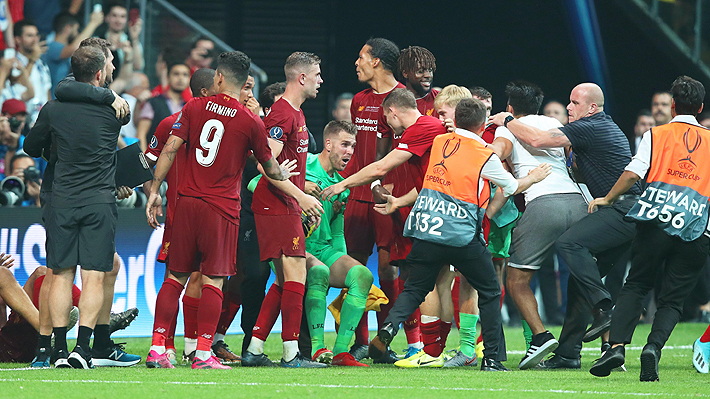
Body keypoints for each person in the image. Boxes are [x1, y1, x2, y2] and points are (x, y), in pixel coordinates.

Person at [367, 98, 551, 371]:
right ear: (481, 126)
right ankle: (490, 358)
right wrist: (534, 177)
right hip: (462, 236)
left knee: (416, 288)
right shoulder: (483, 154)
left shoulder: (440, 142)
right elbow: (510, 187)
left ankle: (388, 330)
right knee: (489, 291)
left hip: (428, 229)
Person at [145, 50, 296, 370]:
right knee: (214, 281)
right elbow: (269, 166)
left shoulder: (193, 106)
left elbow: (170, 148)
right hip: (222, 208)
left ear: (219, 78)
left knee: (175, 277)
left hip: (185, 203)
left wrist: (156, 190)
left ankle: (158, 347)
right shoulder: (250, 120)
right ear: (242, 83)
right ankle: (202, 353)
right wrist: (288, 176)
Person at [489, 82, 642, 370]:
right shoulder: (565, 124)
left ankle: (549, 333)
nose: (569, 107)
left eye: (574, 102)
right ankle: (585, 351)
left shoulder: (586, 126)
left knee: (535, 267)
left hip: (614, 207)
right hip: (590, 205)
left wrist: (504, 124)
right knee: (583, 280)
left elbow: (522, 145)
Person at [589, 76, 709, 382]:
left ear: (672, 105)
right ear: (700, 107)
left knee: (637, 285)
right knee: (672, 301)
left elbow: (632, 174)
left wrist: (608, 198)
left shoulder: (656, 135)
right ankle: (652, 348)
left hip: (655, 222)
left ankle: (616, 347)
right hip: (695, 229)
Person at [321, 88, 445, 366]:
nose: (386, 127)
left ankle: (431, 351)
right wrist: (399, 201)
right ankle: (427, 347)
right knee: (432, 279)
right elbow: (426, 182)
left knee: (432, 280)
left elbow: (380, 167)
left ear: (392, 112)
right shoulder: (429, 127)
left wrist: (343, 183)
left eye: (386, 120)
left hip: (441, 210)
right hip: (436, 206)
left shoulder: (422, 128)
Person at [24, 45, 129, 369]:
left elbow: (30, 146)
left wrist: (50, 150)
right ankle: (83, 349)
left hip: (63, 198)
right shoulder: (116, 111)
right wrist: (108, 96)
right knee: (94, 276)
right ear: (99, 74)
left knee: (60, 276)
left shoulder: (53, 108)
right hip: (98, 200)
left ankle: (57, 350)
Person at [487, 81, 587, 369]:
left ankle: (541, 337)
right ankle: (608, 344)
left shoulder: (506, 128)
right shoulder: (552, 122)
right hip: (577, 202)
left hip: (544, 203)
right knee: (587, 278)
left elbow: (493, 154)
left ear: (510, 108)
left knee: (516, 280)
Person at [243, 51, 325, 368]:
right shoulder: (281, 114)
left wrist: (301, 188)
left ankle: (254, 348)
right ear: (301, 77)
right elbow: (268, 166)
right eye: (317, 74)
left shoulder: (296, 113)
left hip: (284, 200)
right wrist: (300, 196)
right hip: (275, 203)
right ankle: (292, 354)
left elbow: (282, 166)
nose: (321, 80)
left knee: (283, 280)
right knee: (296, 275)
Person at [143, 68, 219, 365]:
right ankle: (170, 345)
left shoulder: (179, 123)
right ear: (204, 92)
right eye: (217, 87)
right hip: (195, 212)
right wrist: (155, 193)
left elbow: (148, 162)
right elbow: (147, 161)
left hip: (188, 213)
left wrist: (153, 191)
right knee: (188, 277)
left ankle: (183, 346)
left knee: (188, 278)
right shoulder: (171, 123)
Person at [344, 38, 404, 362]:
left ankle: (384, 341)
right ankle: (359, 341)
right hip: (357, 196)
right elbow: (357, 154)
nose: (357, 62)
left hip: (388, 198)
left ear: (377, 62)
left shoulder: (401, 101)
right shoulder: (359, 100)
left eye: (361, 56)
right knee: (354, 271)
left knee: (388, 272)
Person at [304, 120, 373, 367]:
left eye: (353, 146)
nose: (350, 152)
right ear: (328, 143)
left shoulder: (341, 187)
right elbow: (257, 183)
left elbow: (337, 233)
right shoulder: (304, 166)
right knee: (320, 273)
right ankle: (316, 348)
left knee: (362, 275)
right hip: (295, 246)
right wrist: (298, 187)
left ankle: (342, 352)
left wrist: (345, 268)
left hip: (323, 248)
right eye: (345, 145)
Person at [238, 80, 286, 359]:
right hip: (251, 215)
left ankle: (302, 348)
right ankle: (248, 342)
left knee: (294, 278)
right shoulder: (250, 129)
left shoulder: (300, 132)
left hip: (286, 215)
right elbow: (255, 173)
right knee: (256, 275)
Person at [44, 10, 103, 96]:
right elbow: (74, 48)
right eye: (76, 29)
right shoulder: (51, 47)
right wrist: (93, 23)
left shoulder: (64, 49)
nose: (78, 33)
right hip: (55, 98)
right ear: (68, 28)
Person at [135, 61, 189, 151]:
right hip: (153, 159)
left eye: (185, 75)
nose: (180, 78)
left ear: (189, 79)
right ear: (168, 78)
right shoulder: (154, 102)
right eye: (176, 74)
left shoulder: (188, 106)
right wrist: (144, 162)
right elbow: (141, 134)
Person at [9, 19, 51, 125]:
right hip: (22, 121)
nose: (35, 40)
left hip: (41, 121)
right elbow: (19, 84)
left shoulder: (41, 64)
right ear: (18, 39)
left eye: (36, 35)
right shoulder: (12, 63)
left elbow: (47, 92)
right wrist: (32, 60)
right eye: (29, 36)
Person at [398, 46, 438, 116]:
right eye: (420, 71)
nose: (428, 75)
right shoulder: (395, 102)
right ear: (405, 73)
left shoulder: (441, 100)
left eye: (430, 70)